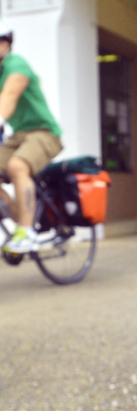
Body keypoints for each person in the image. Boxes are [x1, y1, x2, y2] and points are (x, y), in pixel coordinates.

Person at [0, 25, 62, 253]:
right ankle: (20, 222)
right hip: (17, 136)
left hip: (44, 133)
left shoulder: (16, 65)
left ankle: (26, 233)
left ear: (4, 45)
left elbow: (8, 97)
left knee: (17, 166)